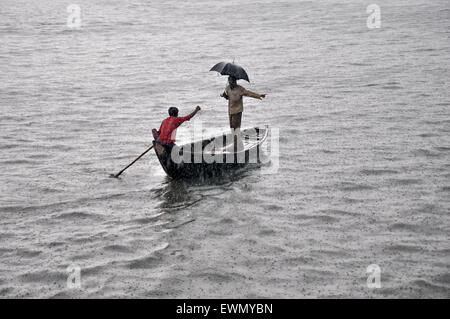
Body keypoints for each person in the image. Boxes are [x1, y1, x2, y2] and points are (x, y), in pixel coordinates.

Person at [221, 76, 265, 152]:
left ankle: (236, 146)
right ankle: (238, 144)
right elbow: (228, 98)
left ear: (235, 82)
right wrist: (224, 96)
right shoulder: (227, 88)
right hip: (230, 111)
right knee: (232, 127)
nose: (231, 84)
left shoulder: (240, 89)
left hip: (237, 111)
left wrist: (258, 95)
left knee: (236, 128)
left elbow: (249, 93)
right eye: (230, 82)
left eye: (232, 82)